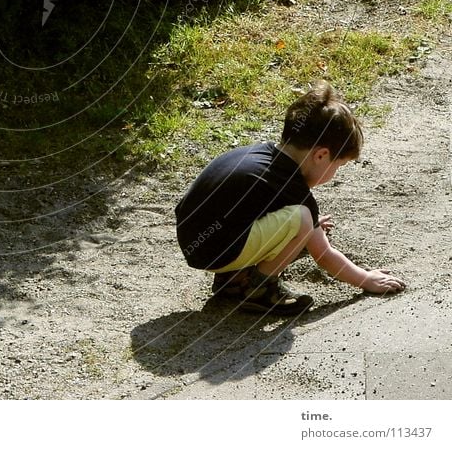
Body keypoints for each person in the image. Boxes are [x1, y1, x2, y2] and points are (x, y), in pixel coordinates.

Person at [174, 81, 406, 315]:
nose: (335, 174)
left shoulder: (260, 154)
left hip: (195, 239)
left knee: (303, 225)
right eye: (339, 165)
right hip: (213, 252)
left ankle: (234, 279)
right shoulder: (292, 186)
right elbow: (323, 254)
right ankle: (259, 287)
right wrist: (366, 279)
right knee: (302, 220)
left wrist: (305, 229)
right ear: (322, 155)